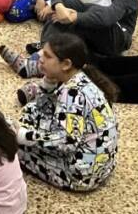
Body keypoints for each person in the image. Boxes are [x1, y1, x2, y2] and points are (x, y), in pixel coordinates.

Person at [14, 34, 119, 192]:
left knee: (11, 144)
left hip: (79, 176)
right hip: (101, 166)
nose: (41, 59)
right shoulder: (82, 80)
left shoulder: (71, 93)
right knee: (33, 112)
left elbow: (66, 142)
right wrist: (48, 83)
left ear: (66, 64)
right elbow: (44, 107)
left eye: (48, 56)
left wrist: (24, 136)